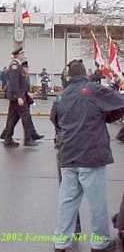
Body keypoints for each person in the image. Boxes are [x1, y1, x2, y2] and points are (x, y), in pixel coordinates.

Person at [51, 59, 124, 252]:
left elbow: (55, 120)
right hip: (91, 154)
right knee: (97, 202)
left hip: (67, 155)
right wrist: (106, 117)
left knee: (67, 201)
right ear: (85, 75)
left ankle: (60, 241)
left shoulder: (61, 96)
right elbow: (119, 104)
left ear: (68, 77)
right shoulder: (93, 90)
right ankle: (100, 243)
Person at [1, 47, 39, 147]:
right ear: (18, 55)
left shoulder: (18, 66)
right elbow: (14, 83)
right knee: (25, 117)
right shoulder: (15, 66)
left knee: (12, 118)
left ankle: (8, 139)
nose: (23, 56)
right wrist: (19, 97)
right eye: (22, 54)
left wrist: (26, 93)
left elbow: (21, 83)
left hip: (19, 95)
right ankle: (28, 139)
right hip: (17, 97)